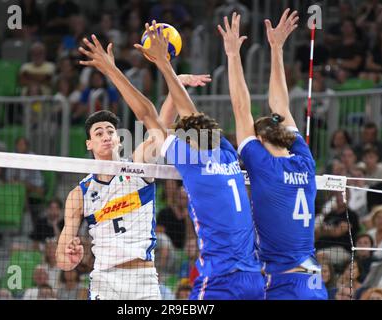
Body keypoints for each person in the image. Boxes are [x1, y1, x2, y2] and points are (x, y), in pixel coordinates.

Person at [59, 33, 211, 300]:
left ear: (118, 138)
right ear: (89, 144)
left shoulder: (138, 166)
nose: (106, 135)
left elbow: (158, 127)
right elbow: (63, 259)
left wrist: (176, 87)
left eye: (110, 130)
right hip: (104, 279)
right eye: (98, 133)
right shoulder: (79, 194)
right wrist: (70, 256)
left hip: (143, 280)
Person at [133, 21, 264, 300]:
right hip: (254, 277)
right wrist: (232, 56)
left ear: (190, 141)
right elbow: (239, 108)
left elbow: (150, 118)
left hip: (220, 279)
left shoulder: (192, 160)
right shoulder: (227, 152)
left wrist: (161, 64)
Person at [223, 9, 326, 300]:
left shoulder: (262, 164)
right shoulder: (303, 159)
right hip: (313, 282)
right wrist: (276, 48)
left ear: (260, 138)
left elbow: (241, 107)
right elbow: (282, 107)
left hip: (286, 284)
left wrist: (232, 55)